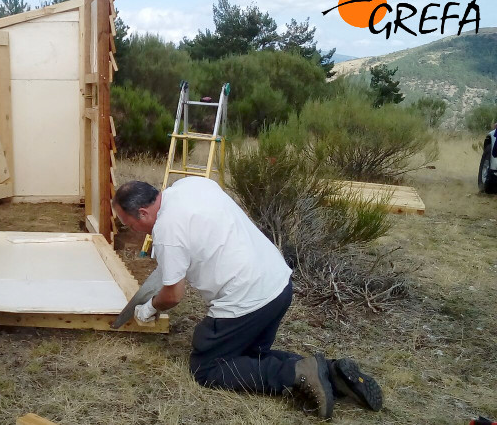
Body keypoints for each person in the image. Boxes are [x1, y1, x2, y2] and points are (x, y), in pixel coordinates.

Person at [112, 178, 382, 419]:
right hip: (278, 285)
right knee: (247, 358)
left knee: (207, 369)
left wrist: (149, 307)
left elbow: (173, 295)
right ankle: (332, 372)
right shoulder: (191, 185)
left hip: (247, 300)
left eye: (130, 224)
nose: (133, 230)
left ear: (144, 212)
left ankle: (297, 374)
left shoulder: (167, 233)